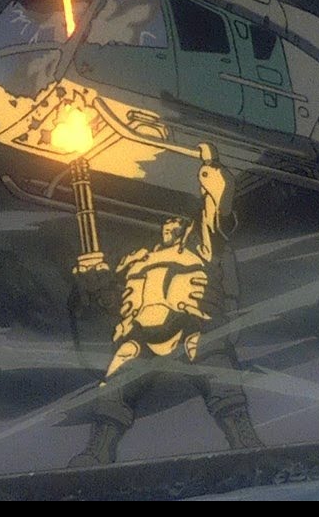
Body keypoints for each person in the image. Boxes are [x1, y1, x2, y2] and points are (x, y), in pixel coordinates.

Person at [69, 142, 263, 467]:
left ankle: (244, 440)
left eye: (177, 222)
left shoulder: (198, 249)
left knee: (214, 365)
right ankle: (98, 451)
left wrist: (212, 173)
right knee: (117, 380)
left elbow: (215, 211)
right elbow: (113, 302)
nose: (171, 225)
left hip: (189, 324)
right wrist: (95, 281)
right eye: (167, 223)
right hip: (141, 331)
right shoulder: (137, 261)